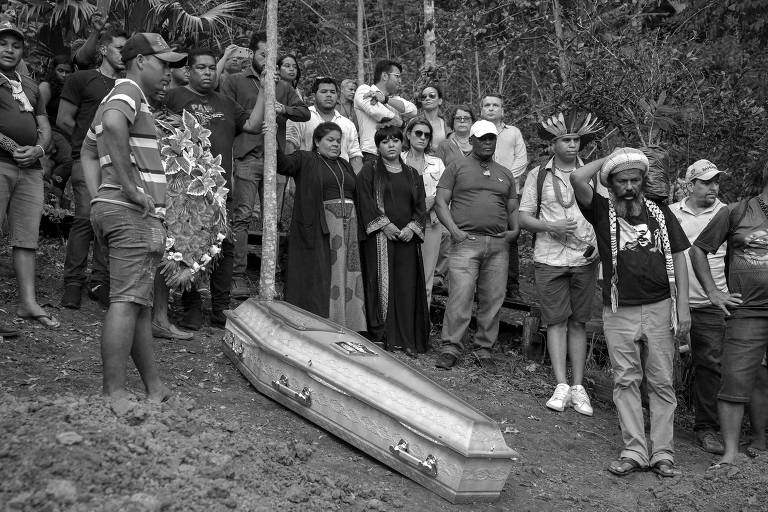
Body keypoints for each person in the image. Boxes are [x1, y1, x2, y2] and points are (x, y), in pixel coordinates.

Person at [571, 147, 691, 478]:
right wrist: (613, 157)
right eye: (621, 180)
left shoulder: (659, 212)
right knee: (625, 379)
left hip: (659, 307)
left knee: (662, 381)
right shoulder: (600, 209)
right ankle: (635, 449)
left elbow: (679, 256)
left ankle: (663, 452)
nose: (628, 186)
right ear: (610, 183)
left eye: (634, 179)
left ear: (642, 181)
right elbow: (577, 177)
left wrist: (683, 307)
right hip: (618, 309)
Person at [84, 32, 186, 401]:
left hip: (114, 209)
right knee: (127, 303)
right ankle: (114, 393)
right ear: (141, 61)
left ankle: (154, 387)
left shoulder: (116, 95)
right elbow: (111, 126)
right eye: (163, 64)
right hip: (129, 214)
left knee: (138, 305)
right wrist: (127, 189)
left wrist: (100, 198)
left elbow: (88, 150)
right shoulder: (128, 90)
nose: (168, 74)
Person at [161, 48, 266, 332]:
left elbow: (253, 126)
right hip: (186, 188)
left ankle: (220, 308)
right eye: (201, 68)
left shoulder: (226, 102)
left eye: (211, 68)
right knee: (190, 246)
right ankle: (191, 306)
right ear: (189, 71)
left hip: (220, 188)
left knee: (224, 246)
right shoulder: (174, 97)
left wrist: (266, 90)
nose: (207, 72)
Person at [519, 111, 603, 416]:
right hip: (549, 257)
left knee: (579, 321)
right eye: (565, 140)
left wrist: (600, 246)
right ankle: (560, 384)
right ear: (553, 144)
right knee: (555, 320)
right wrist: (550, 227)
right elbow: (523, 216)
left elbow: (607, 215)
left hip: (584, 257)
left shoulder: (595, 173)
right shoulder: (536, 175)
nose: (572, 145)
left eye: (576, 140)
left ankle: (579, 386)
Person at [689, 163, 768, 470]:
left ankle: (761, 440)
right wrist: (713, 291)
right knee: (734, 380)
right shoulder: (735, 212)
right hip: (747, 310)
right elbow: (699, 250)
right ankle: (730, 454)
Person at [220, 31, 310, 299]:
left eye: (272, 56)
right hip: (246, 157)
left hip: (275, 161)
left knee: (274, 220)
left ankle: (270, 278)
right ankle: (237, 277)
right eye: (263, 54)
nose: (268, 60)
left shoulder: (283, 86)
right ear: (252, 54)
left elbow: (304, 112)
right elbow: (227, 111)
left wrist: (283, 108)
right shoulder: (235, 81)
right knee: (242, 216)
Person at [434, 120, 519, 373]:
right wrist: (455, 231)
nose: (487, 142)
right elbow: (440, 201)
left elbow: (512, 206)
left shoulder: (505, 173)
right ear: (471, 140)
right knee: (460, 295)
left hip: (497, 245)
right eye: (482, 138)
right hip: (465, 241)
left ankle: (484, 349)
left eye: (491, 138)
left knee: (493, 298)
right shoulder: (456, 167)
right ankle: (451, 347)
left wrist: (514, 231)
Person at [58, 27, 128, 309]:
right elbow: (63, 120)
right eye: (120, 48)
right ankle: (73, 282)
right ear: (103, 50)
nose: (125, 54)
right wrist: (87, 146)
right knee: (85, 217)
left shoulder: (128, 87)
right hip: (84, 160)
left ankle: (100, 282)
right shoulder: (81, 79)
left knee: (108, 221)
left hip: (117, 164)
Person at [277, 122, 366, 330]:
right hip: (322, 226)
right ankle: (326, 321)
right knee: (327, 273)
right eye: (330, 140)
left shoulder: (344, 164)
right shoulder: (305, 158)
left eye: (338, 141)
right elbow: (283, 165)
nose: (335, 144)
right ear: (317, 142)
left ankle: (348, 323)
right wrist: (273, 136)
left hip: (348, 227)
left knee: (347, 271)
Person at [669, 159, 728, 455]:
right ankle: (653, 420)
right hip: (670, 299)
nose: (713, 188)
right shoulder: (671, 213)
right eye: (706, 182)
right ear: (691, 185)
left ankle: (706, 428)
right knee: (658, 359)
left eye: (716, 182)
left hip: (709, 303)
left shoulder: (726, 214)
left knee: (710, 365)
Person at [0, 21, 56, 331]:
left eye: (15, 45)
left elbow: (44, 126)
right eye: (3, 43)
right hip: (1, 163)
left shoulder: (30, 85)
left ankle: (27, 302)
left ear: (23, 51)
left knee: (26, 238)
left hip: (30, 170)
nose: (9, 49)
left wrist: (37, 149)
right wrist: (11, 146)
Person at [357, 126, 428, 357]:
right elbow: (364, 200)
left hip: (407, 239)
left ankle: (407, 339)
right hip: (380, 239)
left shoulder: (412, 174)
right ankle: (383, 335)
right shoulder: (370, 170)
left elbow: (420, 206)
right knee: (381, 284)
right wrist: (383, 224)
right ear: (378, 146)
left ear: (402, 143)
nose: (391, 145)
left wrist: (412, 228)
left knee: (406, 286)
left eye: (395, 140)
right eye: (385, 141)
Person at [480, 94, 527, 301]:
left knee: (511, 237)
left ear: (502, 110)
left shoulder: (513, 133)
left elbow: (522, 161)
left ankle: (512, 287)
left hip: (510, 193)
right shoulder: (476, 132)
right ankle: (481, 285)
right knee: (483, 234)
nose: (491, 108)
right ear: (481, 110)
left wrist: (502, 179)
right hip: (482, 193)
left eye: (495, 105)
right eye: (487, 105)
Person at [401, 116, 445, 307]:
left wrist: (432, 201)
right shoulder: (397, 159)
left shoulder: (437, 164)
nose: (422, 138)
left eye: (427, 135)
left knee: (426, 279)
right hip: (401, 224)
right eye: (418, 133)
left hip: (430, 224)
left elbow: (444, 194)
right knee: (402, 277)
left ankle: (421, 330)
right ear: (408, 134)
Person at [286, 76, 362, 173]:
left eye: (332, 92)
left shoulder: (348, 124)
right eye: (324, 92)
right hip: (307, 177)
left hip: (340, 180)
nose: (329, 95)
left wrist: (357, 184)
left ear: (337, 96)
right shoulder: (301, 118)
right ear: (314, 96)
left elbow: (355, 156)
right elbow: (290, 147)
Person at [354, 60, 417, 164]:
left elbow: (413, 110)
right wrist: (401, 123)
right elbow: (376, 111)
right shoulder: (364, 90)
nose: (400, 81)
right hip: (372, 154)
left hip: (396, 156)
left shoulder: (393, 99)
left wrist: (385, 100)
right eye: (397, 76)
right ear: (384, 76)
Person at [38, 55, 73, 192]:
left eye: (68, 72)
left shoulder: (71, 88)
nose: (64, 75)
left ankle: (52, 196)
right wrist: (46, 137)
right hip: (51, 131)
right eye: (60, 71)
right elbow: (36, 112)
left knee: (53, 164)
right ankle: (53, 187)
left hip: (65, 133)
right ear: (53, 71)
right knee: (70, 160)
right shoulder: (46, 86)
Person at [419, 85, 449, 151]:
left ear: (440, 101)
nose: (427, 98)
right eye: (424, 97)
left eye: (432, 96)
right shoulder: (414, 122)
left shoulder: (447, 124)